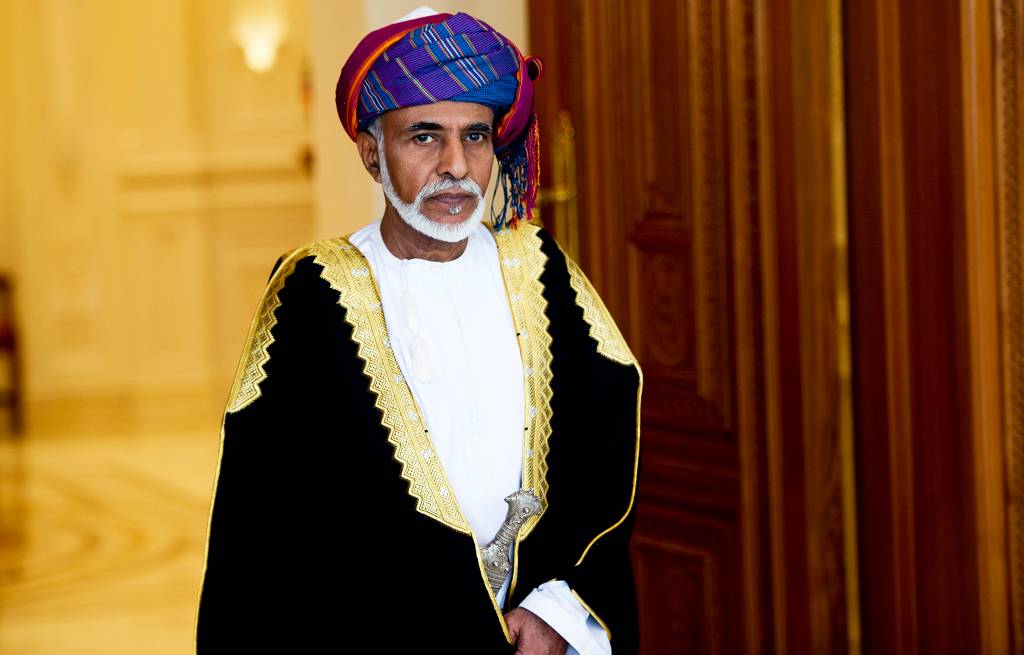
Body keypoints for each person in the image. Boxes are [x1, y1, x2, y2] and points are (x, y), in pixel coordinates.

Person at [193, 8, 641, 654]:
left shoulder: (538, 266)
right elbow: (265, 527)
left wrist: (557, 609)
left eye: (476, 136)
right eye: (425, 137)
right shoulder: (315, 292)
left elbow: (604, 457)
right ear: (372, 154)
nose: (456, 165)